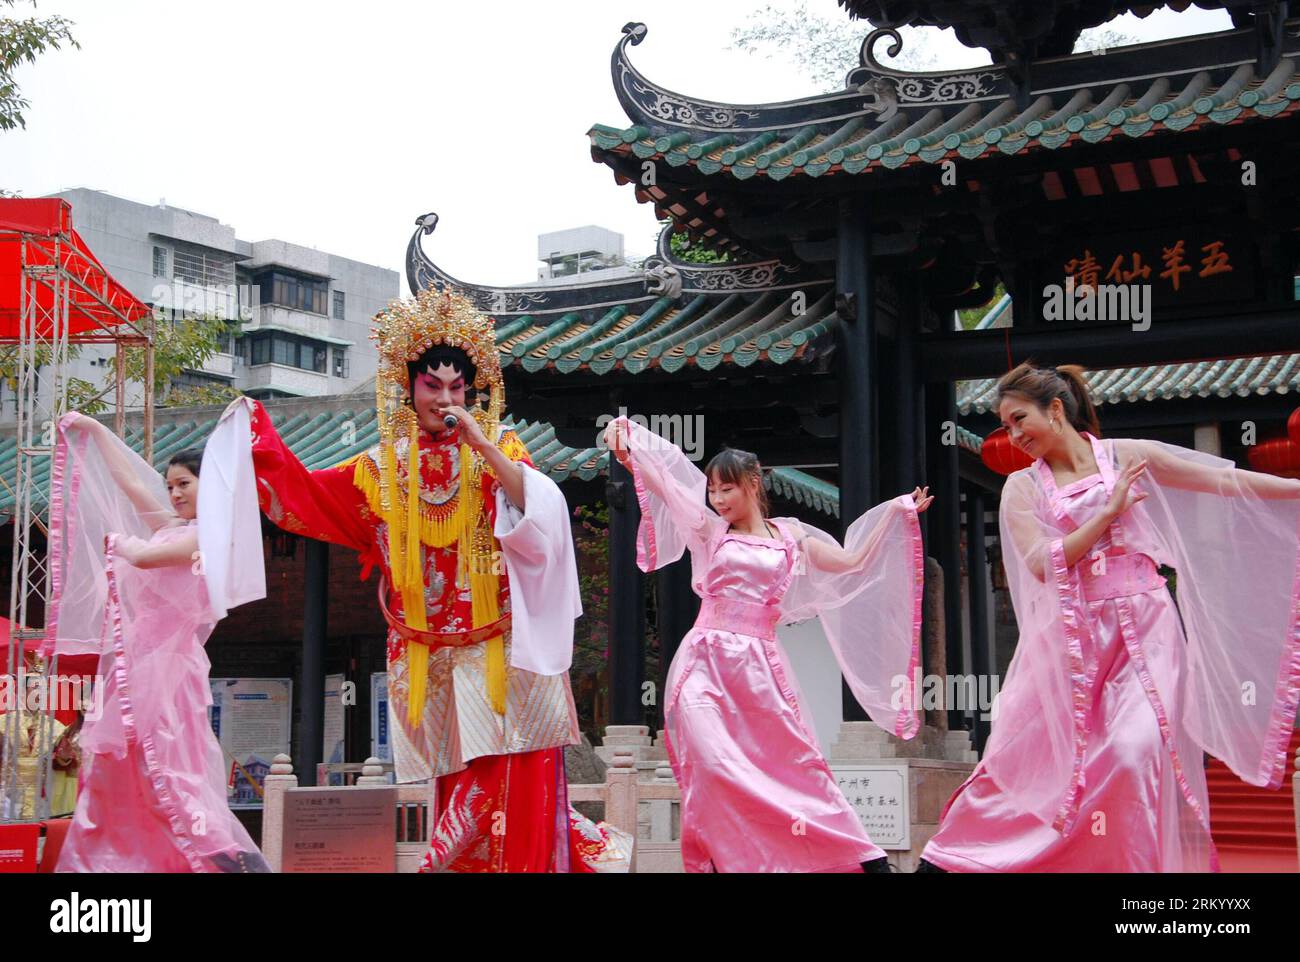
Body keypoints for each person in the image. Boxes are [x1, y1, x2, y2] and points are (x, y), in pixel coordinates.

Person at [246, 287, 630, 873]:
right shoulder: (378, 470)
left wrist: (480, 442)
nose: (447, 399)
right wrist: (256, 443)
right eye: (433, 387)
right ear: (410, 388)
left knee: (510, 787)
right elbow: (303, 495)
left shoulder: (501, 449)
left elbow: (540, 510)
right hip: (431, 660)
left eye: (458, 388)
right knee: (459, 785)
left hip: (504, 653)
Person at [919, 362, 1300, 873]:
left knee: (1130, 753)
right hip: (1069, 637)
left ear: (1055, 410)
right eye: (1006, 427)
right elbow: (1040, 564)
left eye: (1018, 420)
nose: (1013, 437)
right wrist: (1104, 515)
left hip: (1146, 626)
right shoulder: (1023, 488)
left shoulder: (1127, 457)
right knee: (1031, 759)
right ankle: (959, 858)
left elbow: (1221, 482)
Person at [604, 414, 931, 872]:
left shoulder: (791, 535)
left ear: (753, 484)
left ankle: (864, 856)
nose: (717, 500)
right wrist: (629, 449)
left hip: (761, 665)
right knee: (713, 762)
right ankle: (728, 856)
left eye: (727, 489)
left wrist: (896, 512)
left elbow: (852, 562)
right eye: (713, 490)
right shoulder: (709, 531)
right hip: (705, 659)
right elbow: (667, 485)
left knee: (795, 765)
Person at [47, 401, 271, 872]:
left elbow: (147, 560)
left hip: (169, 665)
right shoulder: (174, 528)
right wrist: (94, 430)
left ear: (208, 485)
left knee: (171, 764)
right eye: (169, 486)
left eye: (183, 484)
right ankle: (137, 859)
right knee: (125, 768)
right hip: (141, 661)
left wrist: (118, 544)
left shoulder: (209, 535)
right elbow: (130, 485)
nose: (173, 494)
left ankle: (217, 853)